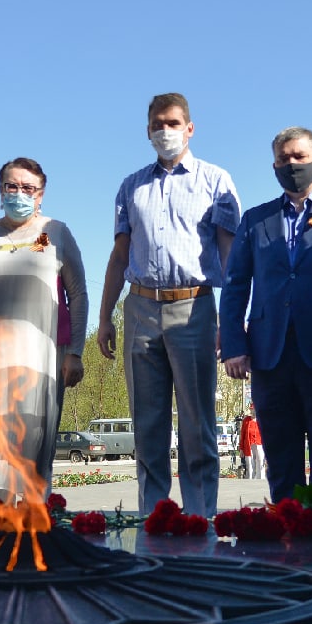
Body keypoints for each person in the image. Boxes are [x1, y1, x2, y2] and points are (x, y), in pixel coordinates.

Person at [97, 93, 240, 518]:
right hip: (140, 308)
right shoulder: (131, 186)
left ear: (190, 128)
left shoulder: (215, 181)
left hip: (193, 307)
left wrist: (232, 320)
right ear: (147, 131)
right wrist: (104, 317)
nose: (165, 131)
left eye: (173, 123)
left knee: (197, 423)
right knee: (147, 423)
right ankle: (154, 518)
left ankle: (200, 518)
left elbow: (231, 255)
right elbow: (119, 256)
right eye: (158, 124)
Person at [0, 158, 88, 504]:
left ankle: (30, 521)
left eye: (28, 188)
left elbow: (79, 294)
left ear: (41, 195)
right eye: (12, 186)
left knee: (31, 445)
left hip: (39, 365)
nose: (19, 193)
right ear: (0, 190)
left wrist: (75, 352)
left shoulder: (55, 233)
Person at [220, 127, 312, 503]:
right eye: (283, 159)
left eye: (299, 157)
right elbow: (235, 284)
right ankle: (287, 524)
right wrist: (233, 345)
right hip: (269, 353)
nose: (291, 164)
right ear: (274, 165)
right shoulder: (255, 219)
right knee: (279, 452)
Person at [239, 410, 264, 480]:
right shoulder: (246, 420)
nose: (254, 412)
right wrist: (241, 449)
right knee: (250, 464)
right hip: (248, 445)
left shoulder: (262, 419)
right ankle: (250, 480)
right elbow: (242, 435)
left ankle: (260, 480)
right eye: (252, 410)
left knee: (260, 462)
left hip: (260, 444)